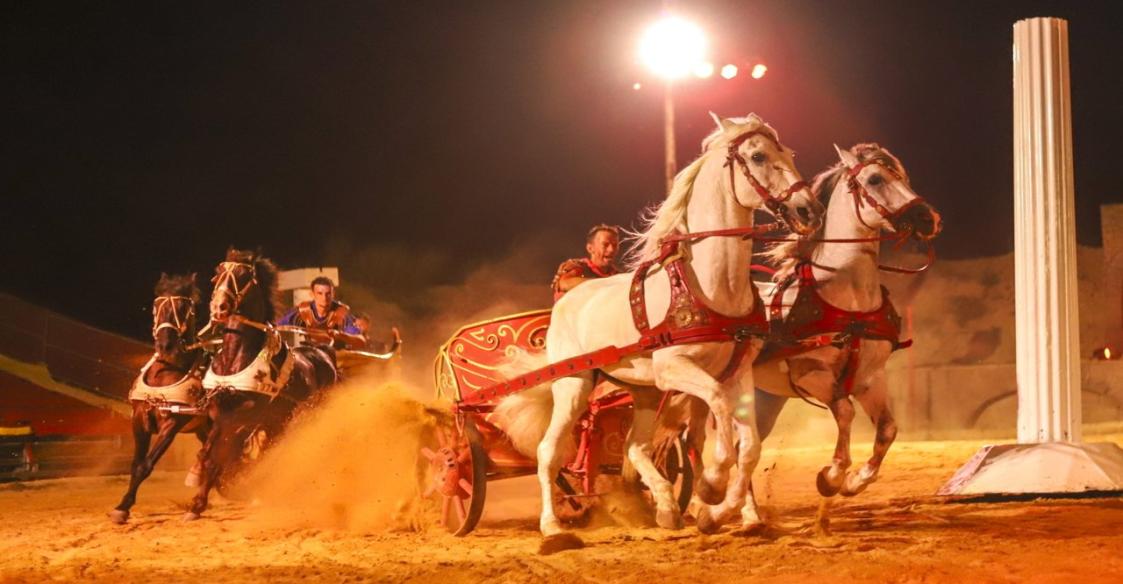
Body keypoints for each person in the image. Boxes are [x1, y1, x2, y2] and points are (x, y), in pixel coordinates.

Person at [277, 276, 367, 349]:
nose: (324, 298)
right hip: (310, 356)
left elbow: (361, 341)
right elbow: (275, 326)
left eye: (328, 294)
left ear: (333, 294)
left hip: (336, 358)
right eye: (320, 293)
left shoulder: (341, 314)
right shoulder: (302, 311)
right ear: (312, 294)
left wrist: (341, 335)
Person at [551, 224, 621, 302]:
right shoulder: (577, 266)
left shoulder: (617, 276)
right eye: (605, 244)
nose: (611, 250)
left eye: (615, 245)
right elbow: (563, 284)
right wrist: (605, 283)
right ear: (590, 248)